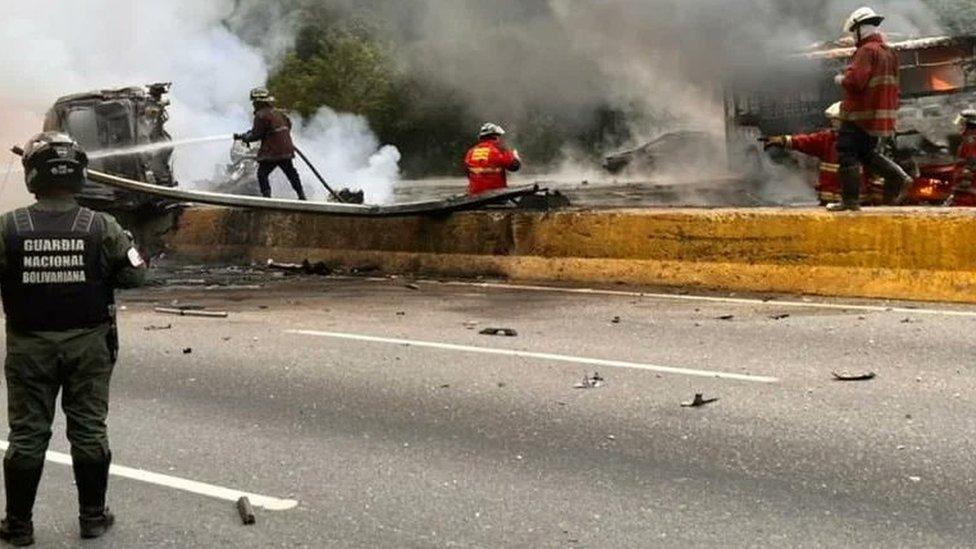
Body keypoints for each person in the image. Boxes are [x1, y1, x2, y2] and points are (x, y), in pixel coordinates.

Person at [0, 132, 147, 546]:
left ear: (32, 175)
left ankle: (18, 525)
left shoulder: (9, 226)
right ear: (78, 174)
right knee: (88, 431)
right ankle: (93, 519)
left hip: (30, 347)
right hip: (88, 346)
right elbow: (136, 275)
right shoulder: (101, 226)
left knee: (28, 435)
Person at [829, 6, 912, 212]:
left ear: (860, 29)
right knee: (865, 152)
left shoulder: (866, 51)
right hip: (879, 117)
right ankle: (898, 177)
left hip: (859, 114)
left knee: (846, 150)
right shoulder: (889, 52)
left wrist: (842, 78)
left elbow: (857, 82)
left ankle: (850, 202)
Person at [765, 102, 851, 205]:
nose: (834, 123)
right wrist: (783, 140)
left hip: (854, 200)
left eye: (837, 119)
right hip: (829, 200)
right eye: (832, 120)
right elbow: (807, 141)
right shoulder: (827, 139)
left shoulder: (860, 140)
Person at [234, 88, 307, 200]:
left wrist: (245, 138)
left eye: (254, 102)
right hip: (286, 148)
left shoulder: (260, 115)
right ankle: (301, 195)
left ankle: (267, 199)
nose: (253, 105)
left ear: (259, 102)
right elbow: (287, 125)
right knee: (291, 172)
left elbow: (256, 135)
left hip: (273, 152)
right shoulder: (279, 113)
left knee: (262, 174)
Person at [464, 123, 522, 195]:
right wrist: (516, 157)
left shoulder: (471, 151)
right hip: (495, 195)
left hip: (475, 194)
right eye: (499, 136)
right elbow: (514, 167)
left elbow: (467, 171)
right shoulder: (500, 149)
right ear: (495, 136)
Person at [945, 109, 976, 206]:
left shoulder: (970, 141)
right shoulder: (967, 141)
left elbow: (970, 163)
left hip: (968, 194)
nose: (960, 127)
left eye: (962, 124)